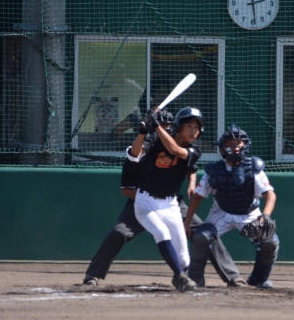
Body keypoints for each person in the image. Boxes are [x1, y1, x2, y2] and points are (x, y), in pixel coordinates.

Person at [83, 110, 244, 288]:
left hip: (172, 202)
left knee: (204, 231)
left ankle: (232, 276)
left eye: (168, 126)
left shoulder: (191, 148)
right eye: (162, 125)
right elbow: (127, 189)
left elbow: (189, 166)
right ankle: (93, 275)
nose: (166, 129)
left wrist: (191, 184)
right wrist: (152, 201)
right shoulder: (151, 143)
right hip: (142, 200)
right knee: (119, 233)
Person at [184, 125, 279, 289]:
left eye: (239, 143)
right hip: (222, 212)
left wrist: (265, 215)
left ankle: (259, 278)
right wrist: (187, 222)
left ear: (245, 145)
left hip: (249, 213)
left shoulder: (254, 167)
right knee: (201, 237)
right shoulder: (214, 170)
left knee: (270, 242)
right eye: (231, 144)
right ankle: (195, 279)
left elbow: (270, 195)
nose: (235, 147)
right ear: (223, 148)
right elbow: (197, 196)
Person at [125, 107, 203, 292]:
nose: (193, 131)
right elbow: (134, 155)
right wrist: (143, 133)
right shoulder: (155, 139)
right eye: (189, 126)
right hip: (146, 201)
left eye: (196, 128)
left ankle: (179, 274)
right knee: (160, 232)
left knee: (183, 260)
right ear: (179, 126)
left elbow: (174, 150)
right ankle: (180, 277)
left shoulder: (194, 150)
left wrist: (156, 124)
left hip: (170, 204)